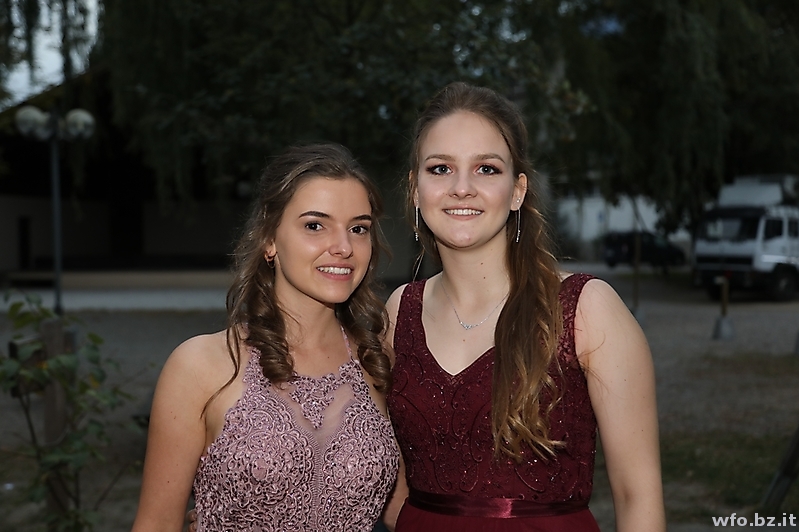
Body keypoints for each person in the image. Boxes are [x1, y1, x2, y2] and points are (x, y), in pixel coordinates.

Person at [381, 82, 666, 531]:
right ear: (416, 189)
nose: (461, 188)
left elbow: (638, 498)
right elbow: (390, 482)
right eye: (440, 168)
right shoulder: (399, 312)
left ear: (517, 191)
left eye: (486, 169)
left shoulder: (585, 309)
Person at [131, 143, 399, 532]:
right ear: (270, 239)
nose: (343, 247)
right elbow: (156, 524)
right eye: (315, 225)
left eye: (358, 228)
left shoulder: (379, 359)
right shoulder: (201, 365)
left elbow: (405, 509)